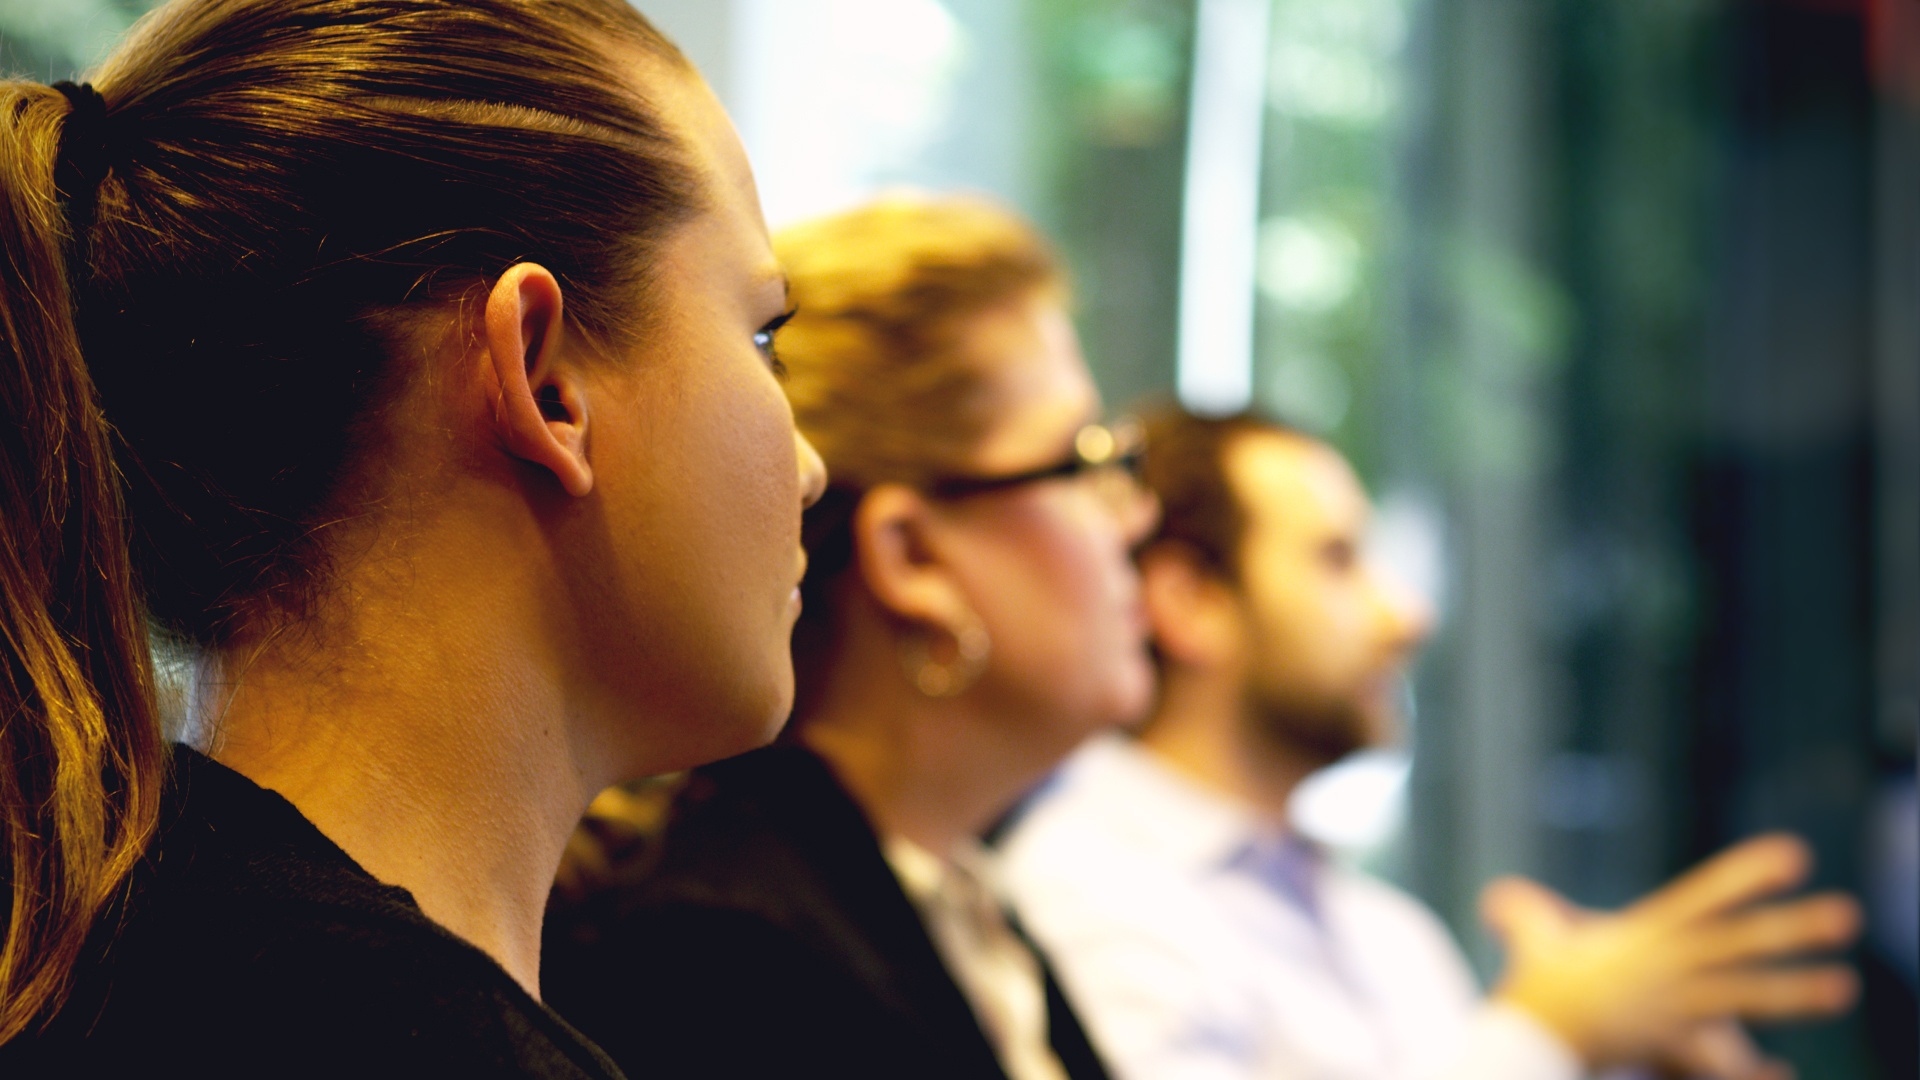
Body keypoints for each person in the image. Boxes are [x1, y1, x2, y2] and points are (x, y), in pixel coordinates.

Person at [0, 0, 823, 1074]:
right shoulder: (406, 1038)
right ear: (544, 378)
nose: (810, 470)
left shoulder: (120, 958)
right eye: (762, 332)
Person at [1000, 408, 1863, 1080]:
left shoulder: (1386, 934)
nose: (1405, 616)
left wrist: (1617, 1049)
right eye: (1337, 560)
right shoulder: (1078, 895)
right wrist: (1549, 1030)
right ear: (1191, 604)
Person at [542, 196, 1154, 1080]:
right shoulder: (726, 963)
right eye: (1081, 462)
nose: (1136, 517)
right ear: (913, 558)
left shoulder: (951, 895)